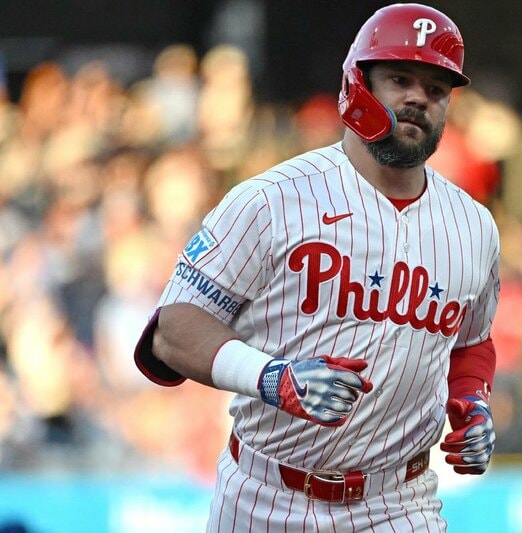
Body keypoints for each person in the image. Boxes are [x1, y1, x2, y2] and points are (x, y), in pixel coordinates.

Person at [133, 3, 500, 530]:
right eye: (400, 79)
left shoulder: (475, 226)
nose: (419, 98)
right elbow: (173, 331)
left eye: (436, 88)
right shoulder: (271, 200)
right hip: (264, 493)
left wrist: (472, 402)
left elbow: (472, 342)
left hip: (398, 501)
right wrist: (272, 377)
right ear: (358, 84)